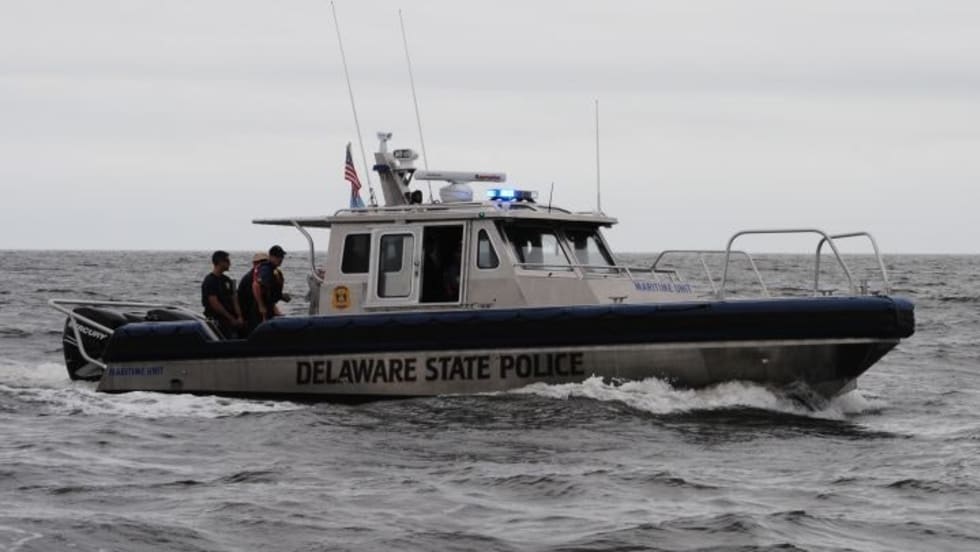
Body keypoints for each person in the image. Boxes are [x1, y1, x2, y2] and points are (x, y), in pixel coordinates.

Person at [201, 250, 243, 338]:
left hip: (231, 320)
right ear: (220, 262)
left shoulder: (227, 280)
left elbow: (234, 299)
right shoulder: (210, 281)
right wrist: (230, 318)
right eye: (227, 261)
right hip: (217, 320)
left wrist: (239, 317)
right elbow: (214, 303)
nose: (230, 263)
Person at [252, 245, 289, 323]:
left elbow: (271, 290)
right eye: (278, 257)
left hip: (269, 305)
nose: (280, 259)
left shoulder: (274, 270)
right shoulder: (266, 269)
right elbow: (256, 285)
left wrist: (281, 296)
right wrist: (261, 306)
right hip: (263, 309)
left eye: (282, 256)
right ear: (271, 257)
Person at [237, 251, 268, 336]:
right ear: (255, 264)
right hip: (250, 316)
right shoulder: (250, 278)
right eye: (262, 263)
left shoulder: (260, 276)